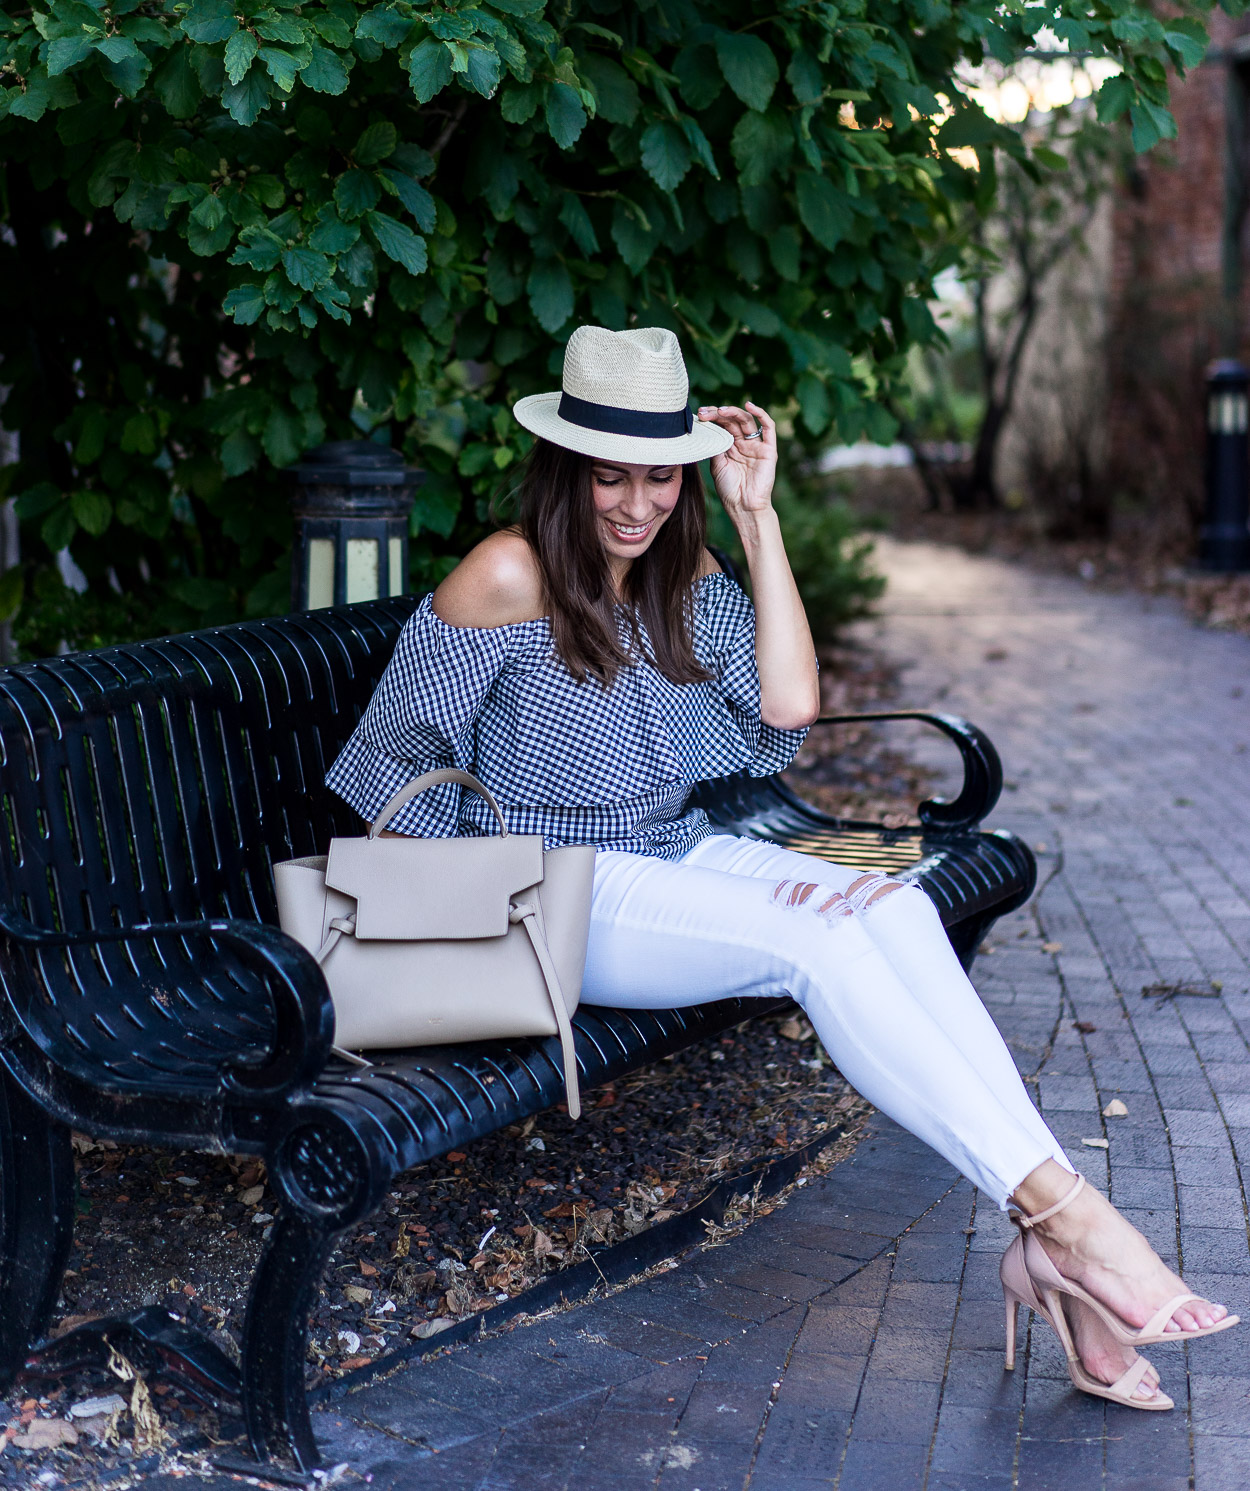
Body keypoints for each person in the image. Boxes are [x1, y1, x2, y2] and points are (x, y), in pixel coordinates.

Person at [327, 323, 1236, 1411]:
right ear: (564, 469)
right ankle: (1071, 1224)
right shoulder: (506, 573)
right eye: (608, 476)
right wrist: (472, 895)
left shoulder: (680, 570)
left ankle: (1048, 1241)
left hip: (665, 852)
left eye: (659, 477)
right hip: (545, 887)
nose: (633, 504)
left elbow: (787, 709)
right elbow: (386, 772)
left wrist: (757, 521)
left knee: (885, 909)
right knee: (813, 944)